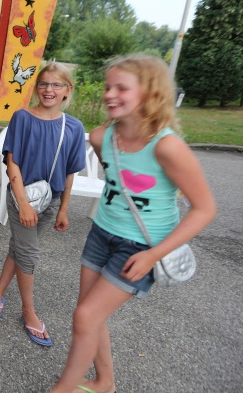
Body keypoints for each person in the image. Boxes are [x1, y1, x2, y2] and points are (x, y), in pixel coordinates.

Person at [49, 55, 216, 393]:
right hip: (101, 233)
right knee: (89, 315)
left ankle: (63, 389)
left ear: (150, 94)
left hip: (141, 246)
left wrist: (154, 255)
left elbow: (205, 209)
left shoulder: (167, 147)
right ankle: (104, 382)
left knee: (85, 317)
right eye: (108, 87)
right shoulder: (100, 137)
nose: (110, 94)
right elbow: (115, 182)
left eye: (122, 88)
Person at [0, 62, 86, 347]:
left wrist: (63, 208)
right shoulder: (23, 118)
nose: (49, 90)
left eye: (56, 85)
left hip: (50, 201)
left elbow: (70, 171)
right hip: (22, 198)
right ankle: (29, 312)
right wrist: (24, 204)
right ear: (37, 87)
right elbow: (12, 163)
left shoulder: (74, 127)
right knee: (28, 255)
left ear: (67, 91)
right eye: (44, 84)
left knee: (19, 249)